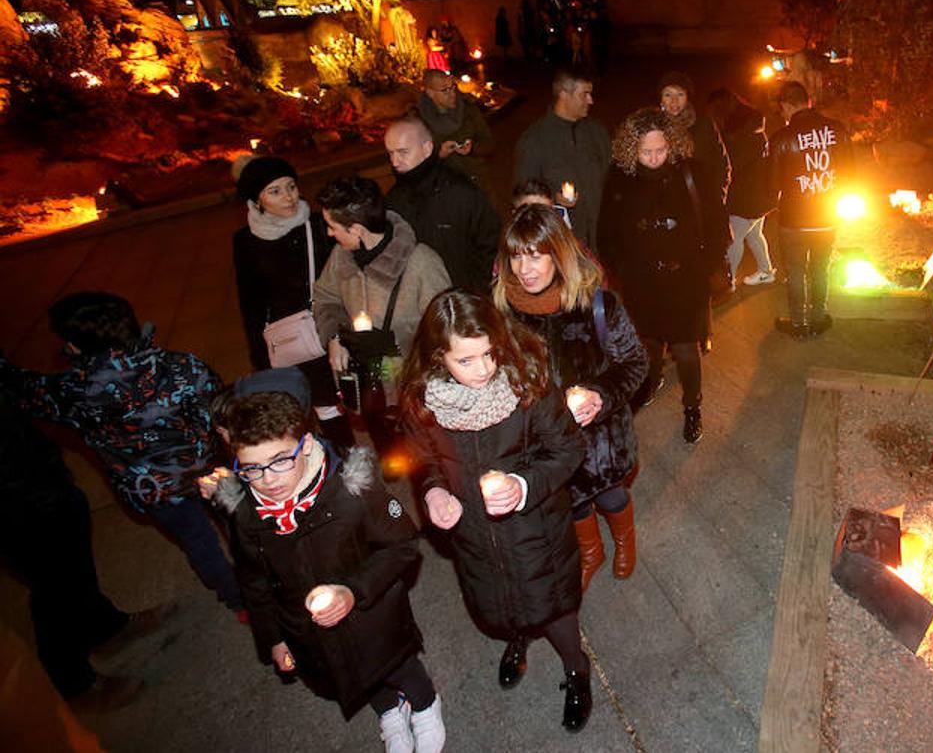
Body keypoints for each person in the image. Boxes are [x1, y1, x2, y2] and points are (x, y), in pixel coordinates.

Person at [206, 380, 444, 753]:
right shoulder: (245, 514)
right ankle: (388, 710)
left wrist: (354, 591)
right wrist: (274, 638)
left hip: (374, 616)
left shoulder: (350, 493)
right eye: (252, 469)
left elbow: (402, 544)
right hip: (308, 630)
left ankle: (425, 702)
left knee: (395, 664)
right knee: (355, 676)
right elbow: (255, 581)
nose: (269, 480)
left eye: (281, 460)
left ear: (307, 445)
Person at [400, 290, 593, 733]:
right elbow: (422, 462)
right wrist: (432, 493)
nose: (484, 369)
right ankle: (517, 638)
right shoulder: (422, 404)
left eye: (489, 353)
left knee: (554, 607)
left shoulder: (526, 382)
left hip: (537, 531)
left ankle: (576, 669)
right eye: (465, 360)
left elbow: (569, 448)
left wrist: (523, 485)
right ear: (436, 359)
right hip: (475, 536)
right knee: (499, 601)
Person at [0, 292, 244, 614]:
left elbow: (27, 391)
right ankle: (260, 581)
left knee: (199, 542)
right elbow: (219, 412)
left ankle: (236, 597)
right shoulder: (181, 365)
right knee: (238, 526)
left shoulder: (76, 393)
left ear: (77, 345)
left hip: (154, 490)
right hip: (207, 468)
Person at [494, 205, 647, 591]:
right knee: (572, 504)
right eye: (515, 255)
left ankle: (625, 541)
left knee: (611, 496)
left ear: (558, 253)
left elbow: (635, 363)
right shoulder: (500, 315)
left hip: (600, 442)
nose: (524, 268)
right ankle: (590, 551)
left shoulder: (597, 305)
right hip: (543, 446)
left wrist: (600, 394)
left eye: (535, 254)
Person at [0, 393, 174, 714]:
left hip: (23, 454)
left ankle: (104, 627)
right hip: (9, 489)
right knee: (48, 572)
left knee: (69, 524)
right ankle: (72, 681)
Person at [597, 108, 729, 443]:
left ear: (672, 144)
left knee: (686, 350)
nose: (655, 158)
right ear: (632, 149)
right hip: (643, 283)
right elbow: (607, 231)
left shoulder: (693, 173)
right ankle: (648, 384)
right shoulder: (620, 176)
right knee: (648, 345)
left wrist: (703, 267)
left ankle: (692, 407)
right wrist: (623, 270)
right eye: (646, 152)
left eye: (661, 150)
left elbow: (716, 226)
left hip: (686, 280)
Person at [313, 177, 450, 453]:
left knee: (424, 460)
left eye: (332, 227)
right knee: (386, 445)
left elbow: (447, 332)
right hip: (368, 381)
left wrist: (399, 349)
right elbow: (325, 299)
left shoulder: (421, 264)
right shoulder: (342, 256)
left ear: (358, 230)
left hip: (412, 391)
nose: (329, 234)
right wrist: (335, 335)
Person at [231, 154, 351, 446]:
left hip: (329, 323)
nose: (288, 197)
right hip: (291, 339)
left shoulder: (318, 224)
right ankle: (346, 459)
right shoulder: (245, 241)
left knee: (352, 394)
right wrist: (261, 357)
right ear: (257, 200)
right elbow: (251, 301)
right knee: (319, 405)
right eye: (275, 191)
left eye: (291, 187)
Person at [769, 80, 852, 339]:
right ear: (809, 102)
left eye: (781, 109)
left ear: (785, 106)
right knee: (820, 268)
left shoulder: (782, 138)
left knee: (795, 271)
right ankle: (818, 319)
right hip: (828, 215)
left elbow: (773, 184)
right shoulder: (838, 130)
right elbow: (851, 173)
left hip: (794, 219)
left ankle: (798, 323)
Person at [384, 117, 499, 293]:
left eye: (403, 152)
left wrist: (476, 292)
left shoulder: (461, 193)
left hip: (463, 295)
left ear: (427, 148)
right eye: (390, 153)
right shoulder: (393, 200)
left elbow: (490, 245)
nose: (395, 162)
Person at [514, 68, 611, 249]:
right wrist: (553, 198)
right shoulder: (535, 140)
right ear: (564, 94)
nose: (591, 100)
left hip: (601, 240)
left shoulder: (597, 132)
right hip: (562, 244)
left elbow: (611, 178)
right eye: (585, 94)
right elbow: (524, 196)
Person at [708, 87, 775, 287]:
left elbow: (732, 166)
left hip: (746, 197)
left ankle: (730, 281)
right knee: (754, 235)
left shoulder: (739, 136)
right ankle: (766, 271)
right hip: (761, 194)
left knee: (733, 240)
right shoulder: (754, 126)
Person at [414, 69, 494, 193]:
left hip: (477, 184)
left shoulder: (468, 108)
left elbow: (489, 144)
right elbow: (415, 167)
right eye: (445, 90)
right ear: (430, 93)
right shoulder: (418, 121)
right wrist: (439, 155)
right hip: (442, 190)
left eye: (453, 87)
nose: (452, 94)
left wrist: (472, 149)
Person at [658, 71, 730, 202]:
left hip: (700, 202)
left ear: (687, 97)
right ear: (661, 99)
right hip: (665, 203)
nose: (674, 100)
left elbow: (721, 164)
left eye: (680, 94)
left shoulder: (704, 125)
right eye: (668, 94)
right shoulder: (652, 128)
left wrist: (716, 198)